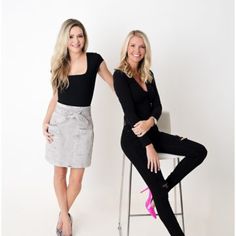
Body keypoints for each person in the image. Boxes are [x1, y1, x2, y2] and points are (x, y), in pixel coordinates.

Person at [113, 30, 207, 236]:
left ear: (146, 50)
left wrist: (150, 121)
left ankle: (161, 188)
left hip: (153, 132)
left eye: (141, 46)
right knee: (162, 199)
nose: (137, 50)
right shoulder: (119, 75)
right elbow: (130, 115)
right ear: (126, 48)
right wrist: (149, 146)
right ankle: (160, 196)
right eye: (133, 46)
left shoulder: (148, 74)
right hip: (133, 140)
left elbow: (157, 106)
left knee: (199, 151)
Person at [42, 19, 113, 236]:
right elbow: (55, 97)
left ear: (85, 38)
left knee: (77, 180)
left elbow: (113, 84)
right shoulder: (59, 64)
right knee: (59, 174)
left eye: (79, 35)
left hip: (83, 122)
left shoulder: (95, 60)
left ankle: (63, 215)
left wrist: (134, 99)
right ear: (65, 39)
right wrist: (45, 120)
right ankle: (66, 218)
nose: (76, 40)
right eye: (71, 36)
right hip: (59, 120)